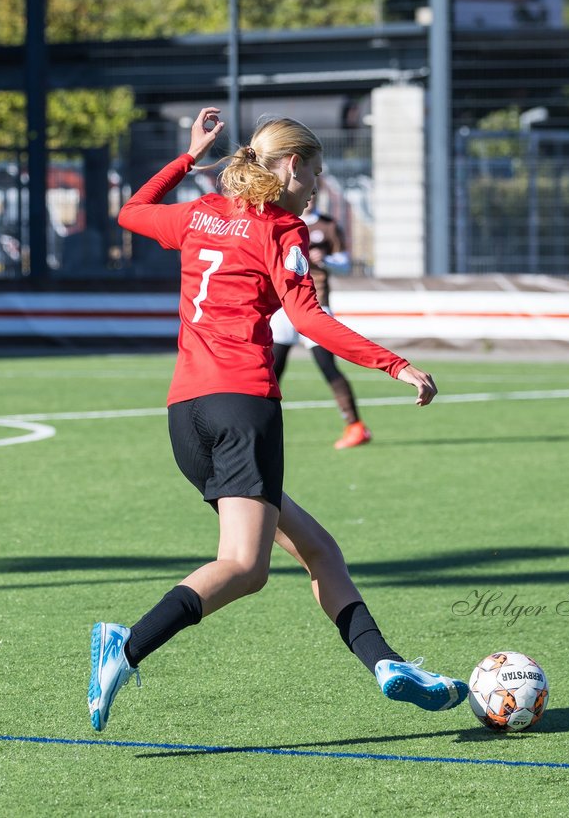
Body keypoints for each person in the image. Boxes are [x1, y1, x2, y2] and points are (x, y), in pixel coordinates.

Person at [88, 107, 467, 733]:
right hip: (243, 408)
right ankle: (125, 646)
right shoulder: (282, 229)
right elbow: (310, 319)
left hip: (186, 416)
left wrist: (187, 157)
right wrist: (394, 366)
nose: (318, 187)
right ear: (291, 166)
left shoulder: (199, 213)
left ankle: (388, 665)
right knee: (245, 566)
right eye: (316, 173)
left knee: (320, 551)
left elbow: (129, 212)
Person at [269, 198, 371, 449]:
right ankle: (264, 428)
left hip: (315, 305)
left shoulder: (327, 226)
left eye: (315, 191)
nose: (310, 195)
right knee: (273, 369)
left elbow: (346, 264)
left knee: (327, 366)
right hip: (283, 307)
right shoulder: (279, 221)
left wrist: (325, 259)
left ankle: (356, 427)